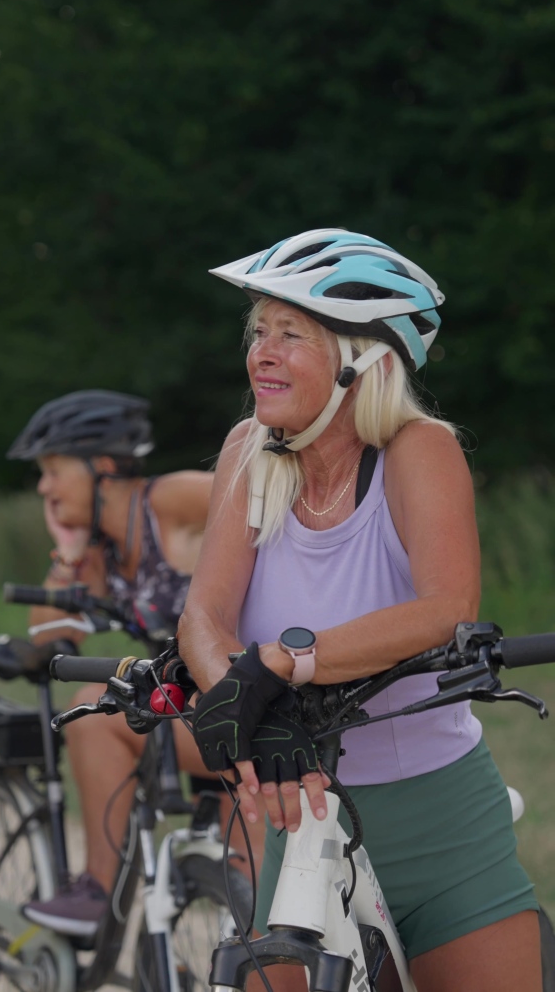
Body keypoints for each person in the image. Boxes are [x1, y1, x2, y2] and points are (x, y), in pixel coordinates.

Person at [178, 230, 541, 992]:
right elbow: (203, 617)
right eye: (259, 332)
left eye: (290, 333)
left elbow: (447, 606)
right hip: (303, 821)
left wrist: (278, 663)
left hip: (440, 826)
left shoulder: (418, 448)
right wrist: (243, 700)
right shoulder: (249, 450)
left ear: (361, 360)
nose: (261, 353)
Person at [7, 389, 264, 938]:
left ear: (101, 467)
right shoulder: (101, 551)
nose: (44, 488)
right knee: (97, 706)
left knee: (258, 910)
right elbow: (52, 637)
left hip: (253, 706)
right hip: (198, 712)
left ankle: (102, 892)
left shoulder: (170, 502)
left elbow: (267, 502)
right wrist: (69, 552)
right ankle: (100, 892)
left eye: (53, 471)